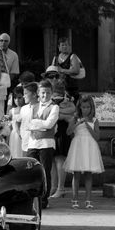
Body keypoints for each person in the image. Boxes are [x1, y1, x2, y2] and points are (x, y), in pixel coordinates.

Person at [64, 95, 104, 209]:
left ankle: (88, 200)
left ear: (91, 108)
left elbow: (97, 137)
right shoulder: (75, 118)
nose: (85, 109)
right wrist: (78, 123)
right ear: (79, 107)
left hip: (90, 147)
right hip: (78, 147)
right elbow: (68, 132)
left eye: (88, 107)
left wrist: (87, 124)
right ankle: (75, 199)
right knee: (76, 174)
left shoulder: (95, 121)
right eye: (83, 107)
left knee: (88, 174)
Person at [43, 67, 75, 200]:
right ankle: (54, 187)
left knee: (59, 160)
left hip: (61, 132)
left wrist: (61, 115)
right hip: (55, 131)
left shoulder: (61, 101)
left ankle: (60, 188)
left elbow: (72, 112)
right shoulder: (62, 101)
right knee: (54, 161)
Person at [26, 80, 59, 209]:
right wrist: (41, 124)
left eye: (48, 93)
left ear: (52, 93)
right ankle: (30, 199)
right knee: (30, 171)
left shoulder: (54, 107)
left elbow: (50, 124)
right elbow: (27, 124)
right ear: (38, 93)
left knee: (45, 172)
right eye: (43, 93)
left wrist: (36, 123)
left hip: (46, 144)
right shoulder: (33, 106)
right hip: (33, 143)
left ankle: (44, 200)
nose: (45, 95)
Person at [52, 37, 81, 103]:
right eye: (62, 45)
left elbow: (76, 70)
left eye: (66, 45)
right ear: (59, 47)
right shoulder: (55, 58)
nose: (65, 47)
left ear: (69, 46)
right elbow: (52, 71)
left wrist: (62, 70)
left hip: (71, 88)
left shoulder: (73, 56)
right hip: (58, 89)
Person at [18, 82, 39, 157]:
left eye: (26, 93)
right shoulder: (23, 108)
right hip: (25, 144)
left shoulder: (42, 107)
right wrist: (20, 133)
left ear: (34, 94)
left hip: (38, 145)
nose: (24, 96)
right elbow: (19, 122)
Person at [8, 85, 25, 158]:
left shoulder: (27, 109)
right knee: (14, 152)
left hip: (23, 135)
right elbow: (10, 127)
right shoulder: (12, 111)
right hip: (14, 136)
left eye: (19, 97)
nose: (17, 100)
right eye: (15, 98)